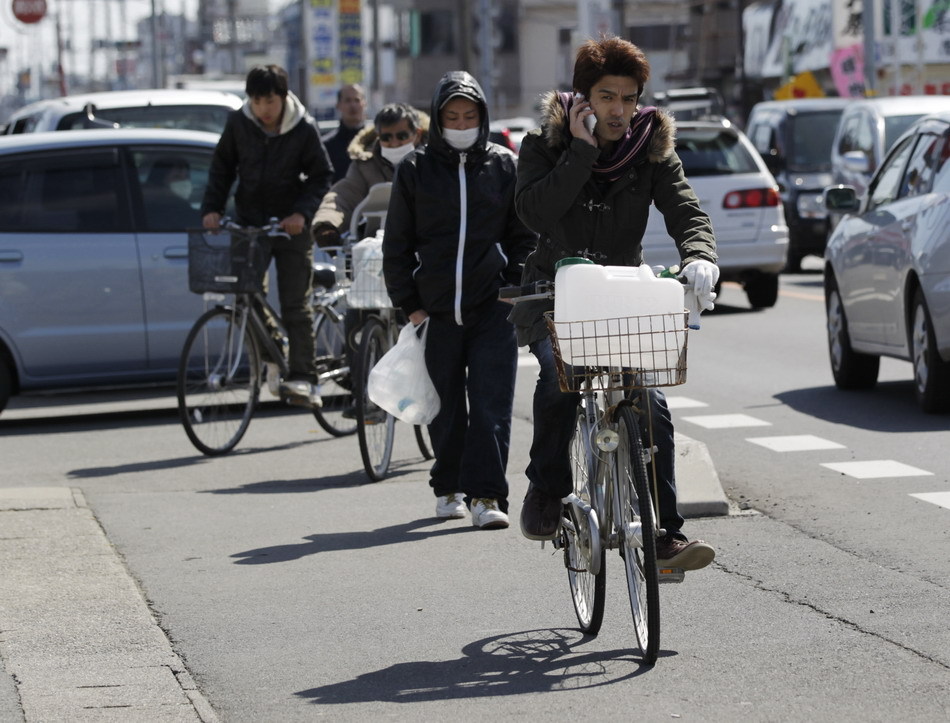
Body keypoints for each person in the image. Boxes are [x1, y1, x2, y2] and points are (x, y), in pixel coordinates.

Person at [512, 35, 719, 570]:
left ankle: (665, 535)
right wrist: (580, 152)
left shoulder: (651, 148)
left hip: (622, 297)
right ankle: (547, 490)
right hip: (553, 294)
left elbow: (686, 211)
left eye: (628, 98)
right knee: (560, 376)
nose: (619, 111)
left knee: (650, 406)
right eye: (606, 97)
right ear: (582, 98)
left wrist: (700, 256)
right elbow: (534, 213)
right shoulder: (544, 145)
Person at [383, 71, 537, 529]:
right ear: (437, 118)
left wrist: (513, 290)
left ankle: (488, 497)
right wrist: (409, 304)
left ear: (483, 116)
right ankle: (448, 487)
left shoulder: (503, 166)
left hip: (494, 308)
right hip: (435, 310)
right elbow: (397, 244)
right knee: (446, 408)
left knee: (492, 406)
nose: (462, 122)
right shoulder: (415, 169)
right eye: (452, 116)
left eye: (470, 115)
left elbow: (524, 235)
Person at [201, 64, 334, 408]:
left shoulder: (302, 127)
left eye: (269, 100)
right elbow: (221, 167)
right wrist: (212, 209)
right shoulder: (239, 123)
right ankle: (276, 353)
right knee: (245, 296)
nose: (263, 108)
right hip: (249, 222)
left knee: (295, 304)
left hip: (291, 227)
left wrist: (301, 214)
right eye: (257, 101)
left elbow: (322, 175)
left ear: (283, 97)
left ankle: (304, 378)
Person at [312, 102, 428, 247]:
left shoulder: (434, 162)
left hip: (427, 243)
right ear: (378, 136)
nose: (394, 143)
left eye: (402, 136)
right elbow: (343, 197)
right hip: (377, 250)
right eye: (386, 137)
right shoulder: (365, 164)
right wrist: (327, 225)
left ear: (417, 134)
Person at [322, 84, 368, 183]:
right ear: (338, 105)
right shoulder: (327, 146)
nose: (353, 105)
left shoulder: (377, 142)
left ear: (364, 103)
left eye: (357, 100)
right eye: (348, 100)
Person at [142, 155, 198, 230]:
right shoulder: (157, 212)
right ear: (160, 181)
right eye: (177, 177)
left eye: (186, 177)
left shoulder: (183, 208)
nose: (184, 182)